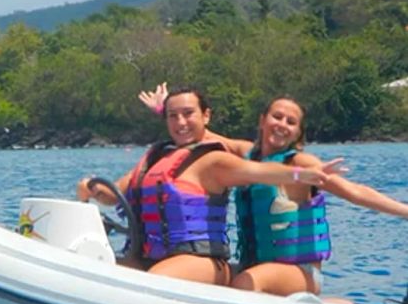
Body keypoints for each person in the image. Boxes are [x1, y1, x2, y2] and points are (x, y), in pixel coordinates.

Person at [139, 84, 408, 296]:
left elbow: (356, 192)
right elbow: (198, 133)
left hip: (299, 272)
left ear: (297, 133)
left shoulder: (301, 164)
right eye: (277, 116)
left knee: (244, 281)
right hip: (257, 265)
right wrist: (164, 110)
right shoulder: (248, 154)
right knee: (211, 278)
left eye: (291, 122)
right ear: (262, 120)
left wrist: (404, 211)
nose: (282, 124)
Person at [77, 87, 343, 287]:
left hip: (201, 260)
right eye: (173, 116)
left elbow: (257, 171)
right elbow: (114, 195)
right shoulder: (155, 157)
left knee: (150, 282)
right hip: (150, 254)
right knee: (97, 272)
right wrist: (91, 188)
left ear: (206, 116)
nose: (180, 122)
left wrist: (300, 175)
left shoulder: (214, 159)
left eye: (188, 114)